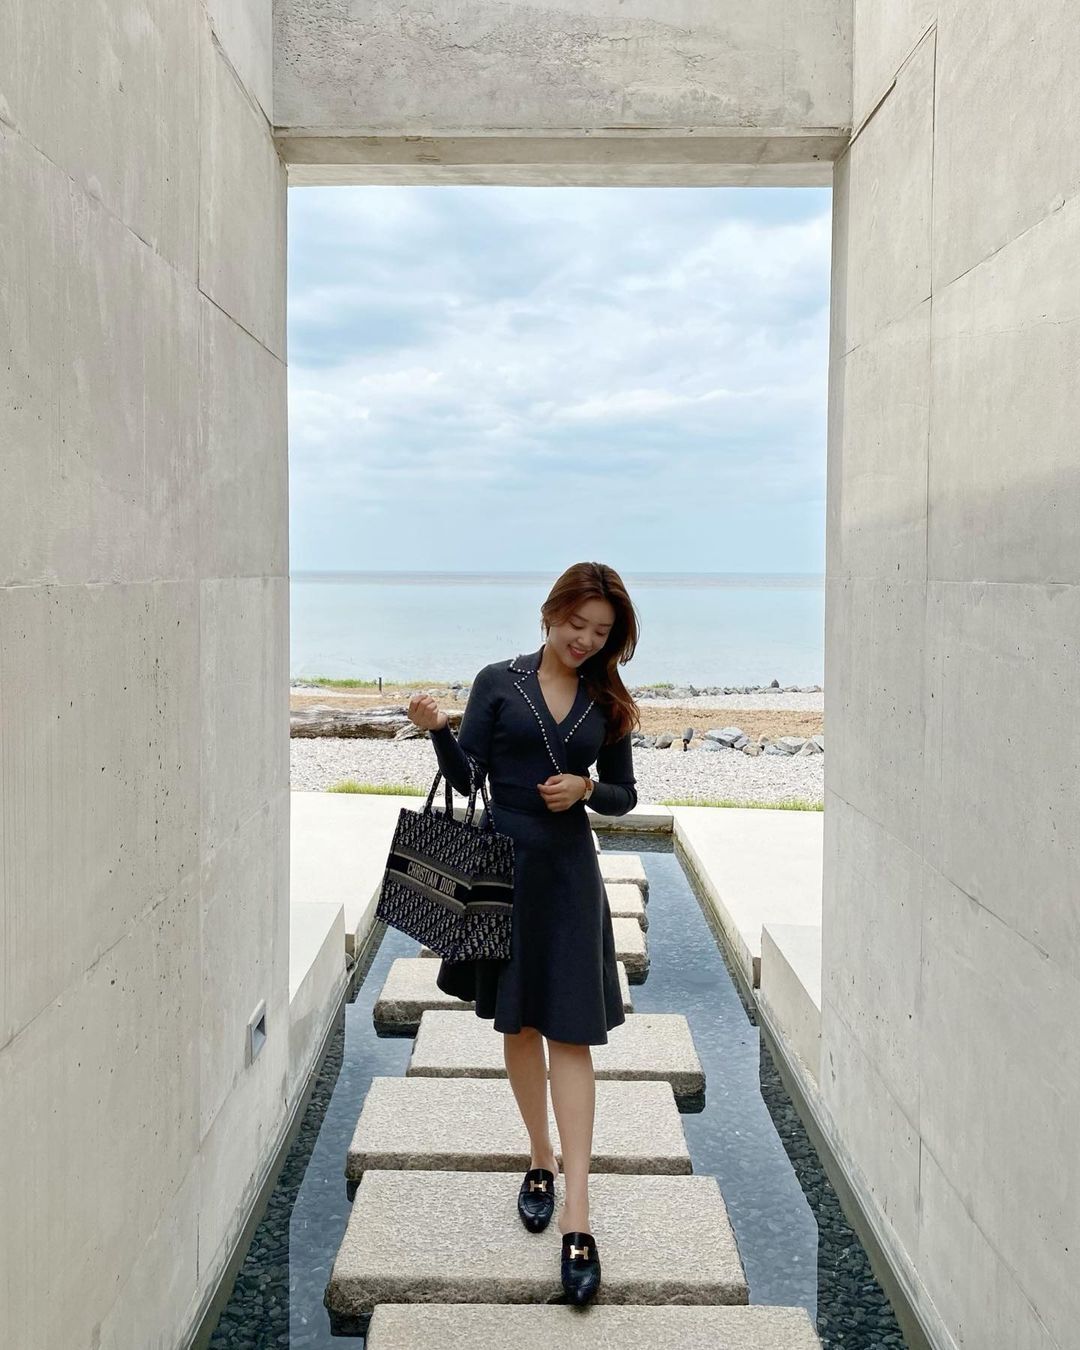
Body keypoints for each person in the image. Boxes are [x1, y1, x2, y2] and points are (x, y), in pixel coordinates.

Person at [406, 560, 640, 1306]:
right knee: (520, 1025)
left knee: (571, 1034)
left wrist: (587, 788)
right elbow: (467, 775)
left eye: (600, 631)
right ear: (550, 613)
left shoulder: (608, 700)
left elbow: (625, 794)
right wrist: (438, 731)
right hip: (502, 874)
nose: (585, 639)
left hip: (568, 877)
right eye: (576, 624)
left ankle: (578, 1211)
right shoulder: (497, 682)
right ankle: (539, 1155)